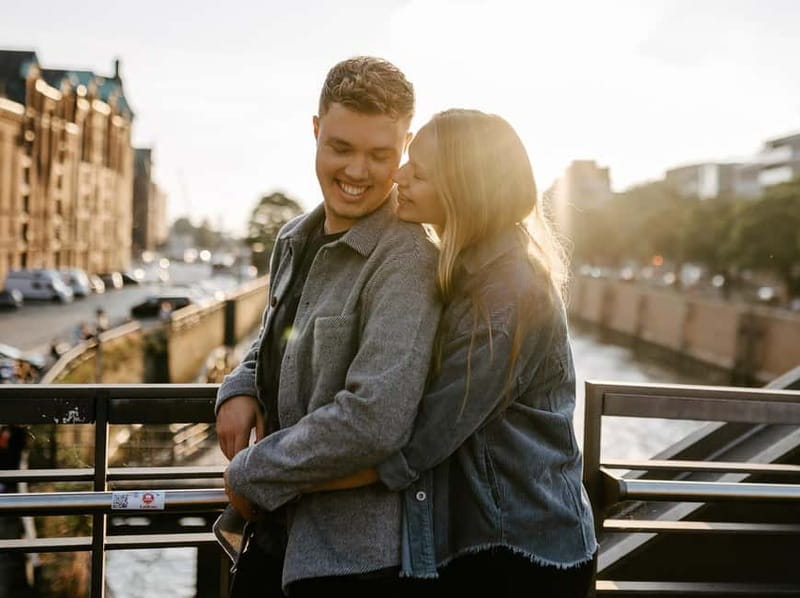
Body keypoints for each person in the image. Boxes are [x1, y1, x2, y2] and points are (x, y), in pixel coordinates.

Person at [313, 109, 598, 597]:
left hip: (519, 554)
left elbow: (420, 441)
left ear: (464, 192)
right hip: (490, 542)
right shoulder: (467, 269)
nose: (399, 176)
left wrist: (288, 480)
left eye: (420, 173)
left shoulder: (507, 293)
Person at [215, 56, 441, 596]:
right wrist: (240, 385)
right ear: (316, 130)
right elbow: (279, 339)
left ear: (406, 146)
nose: (357, 172)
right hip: (271, 538)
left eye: (380, 155)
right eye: (341, 147)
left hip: (349, 563)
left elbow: (375, 419)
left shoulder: (409, 258)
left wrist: (252, 474)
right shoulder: (293, 238)